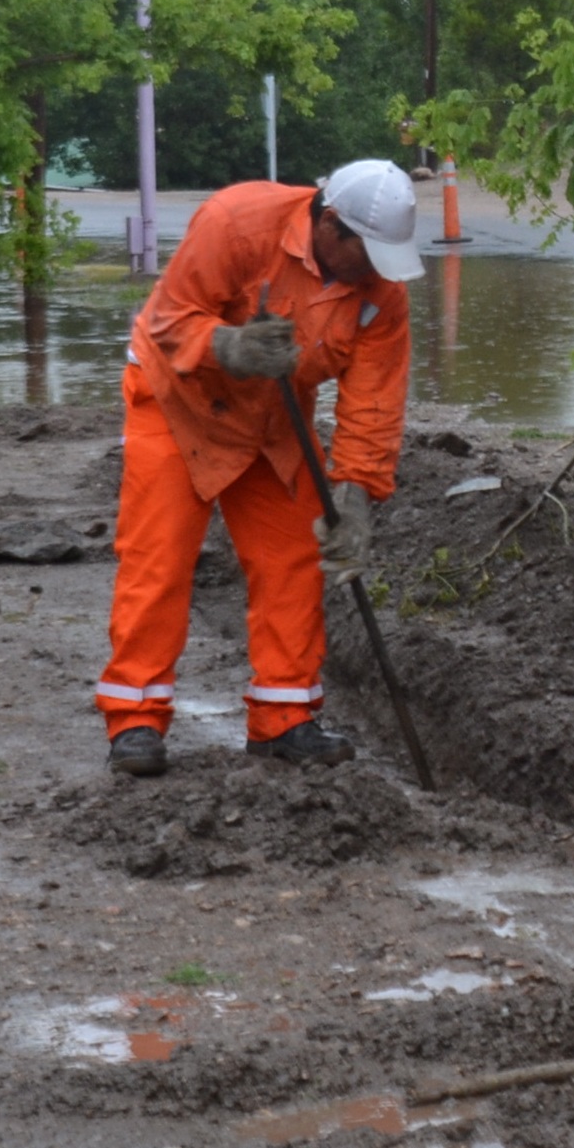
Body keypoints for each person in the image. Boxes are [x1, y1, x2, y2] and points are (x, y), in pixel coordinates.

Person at [95, 161, 425, 775]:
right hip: (178, 401)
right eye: (369, 253)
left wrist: (354, 501)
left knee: (295, 560)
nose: (379, 270)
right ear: (331, 225)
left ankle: (283, 718)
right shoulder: (236, 220)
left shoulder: (383, 298)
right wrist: (230, 347)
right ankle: (135, 717)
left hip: (275, 418)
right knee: (158, 559)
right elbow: (169, 320)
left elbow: (373, 406)